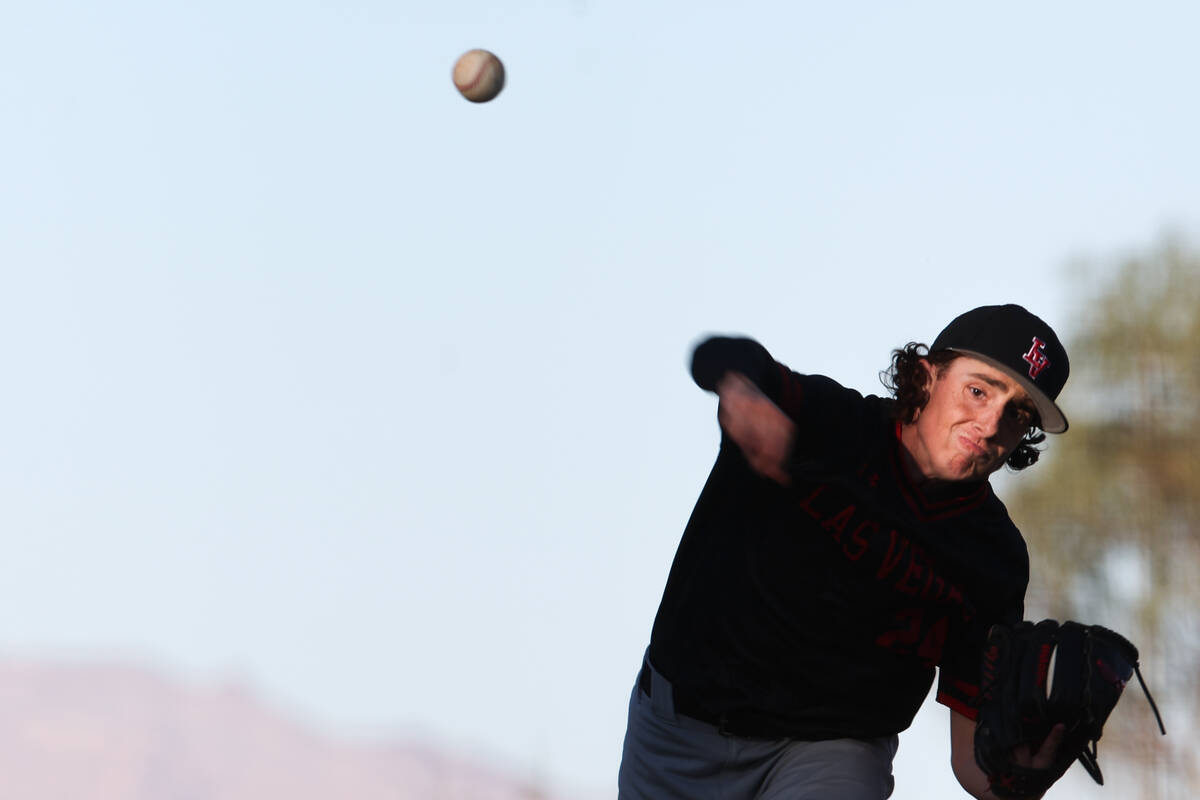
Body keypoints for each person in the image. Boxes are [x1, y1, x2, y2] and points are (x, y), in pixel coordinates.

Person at [618, 304, 1072, 800]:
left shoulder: (993, 557)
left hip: (832, 751)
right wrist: (742, 391)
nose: (990, 423)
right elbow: (723, 354)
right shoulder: (828, 425)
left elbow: (971, 760)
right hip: (680, 730)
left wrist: (1017, 782)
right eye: (978, 390)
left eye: (1017, 413)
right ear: (925, 376)